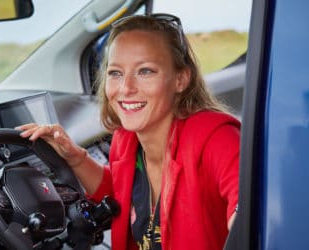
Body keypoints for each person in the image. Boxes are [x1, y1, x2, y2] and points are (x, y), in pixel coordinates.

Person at [17, 13, 240, 250]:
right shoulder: (126, 139)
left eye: (145, 71)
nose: (126, 88)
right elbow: (121, 193)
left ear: (180, 79)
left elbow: (253, 212)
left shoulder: (217, 139)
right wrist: (75, 157)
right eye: (115, 73)